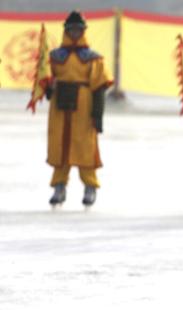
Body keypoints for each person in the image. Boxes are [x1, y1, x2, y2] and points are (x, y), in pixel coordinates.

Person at [46, 11, 112, 207]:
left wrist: (98, 114)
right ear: (66, 31)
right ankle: (59, 186)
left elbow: (99, 88)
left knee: (85, 147)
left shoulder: (93, 58)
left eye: (78, 30)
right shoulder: (55, 57)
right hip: (60, 107)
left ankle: (90, 186)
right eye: (71, 30)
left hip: (84, 105)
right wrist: (49, 88)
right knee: (61, 146)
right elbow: (46, 81)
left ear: (83, 31)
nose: (75, 33)